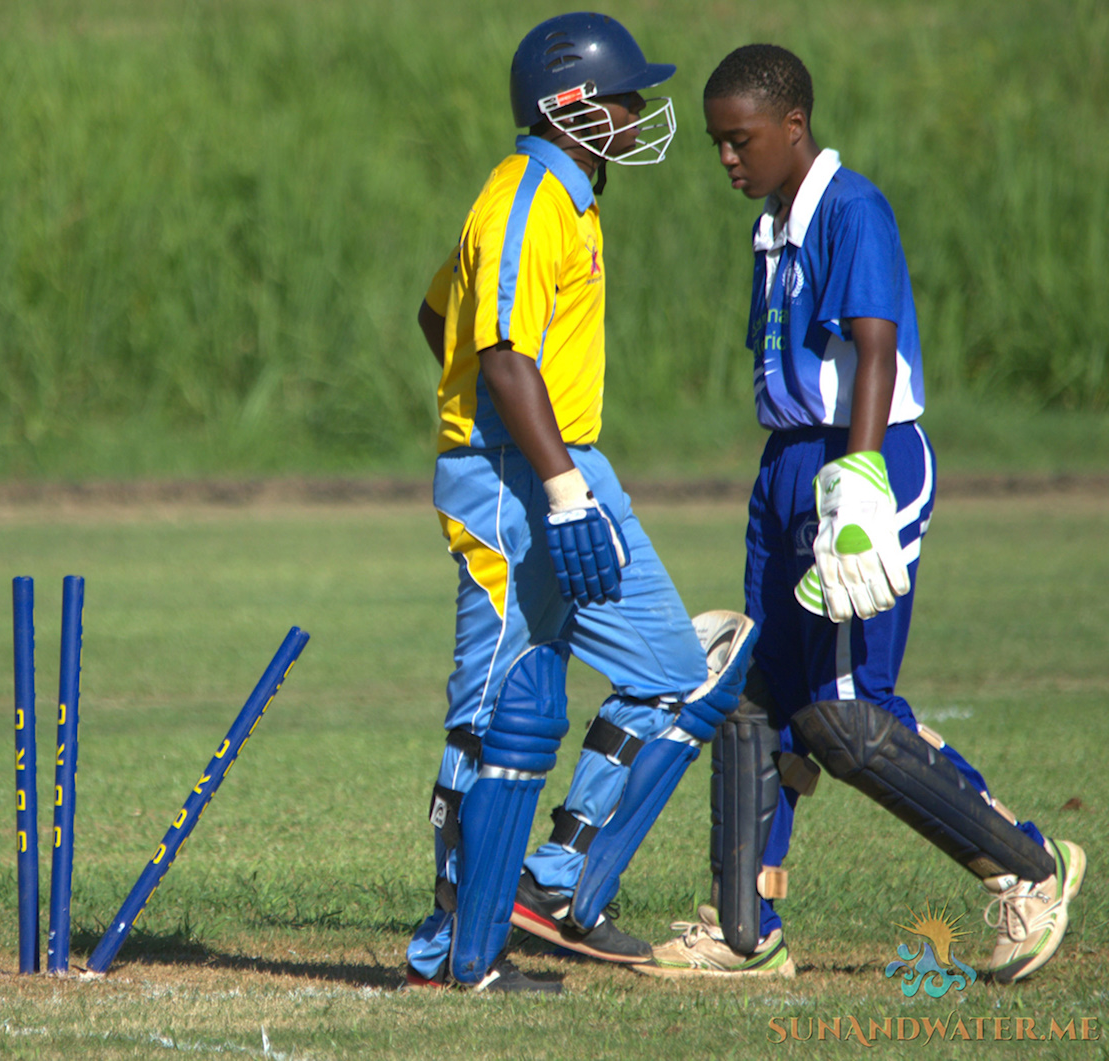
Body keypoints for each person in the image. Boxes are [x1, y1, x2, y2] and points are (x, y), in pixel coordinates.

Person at [641, 44, 1085, 982]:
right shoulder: (773, 221)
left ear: (792, 127)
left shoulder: (852, 208)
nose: (727, 157)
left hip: (862, 456)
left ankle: (1031, 870)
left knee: (845, 717)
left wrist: (858, 482)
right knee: (755, 692)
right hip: (786, 468)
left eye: (741, 139)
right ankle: (741, 928)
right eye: (718, 142)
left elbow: (874, 348)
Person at [403, 12, 757, 994]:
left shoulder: (566, 196)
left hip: (567, 467)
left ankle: (550, 879)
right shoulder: (519, 196)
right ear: (567, 105)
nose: (638, 112)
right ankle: (454, 951)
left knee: (677, 669)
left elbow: (440, 310)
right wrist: (548, 479)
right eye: (620, 95)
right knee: (497, 708)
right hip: (517, 479)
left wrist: (568, 473)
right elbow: (500, 354)